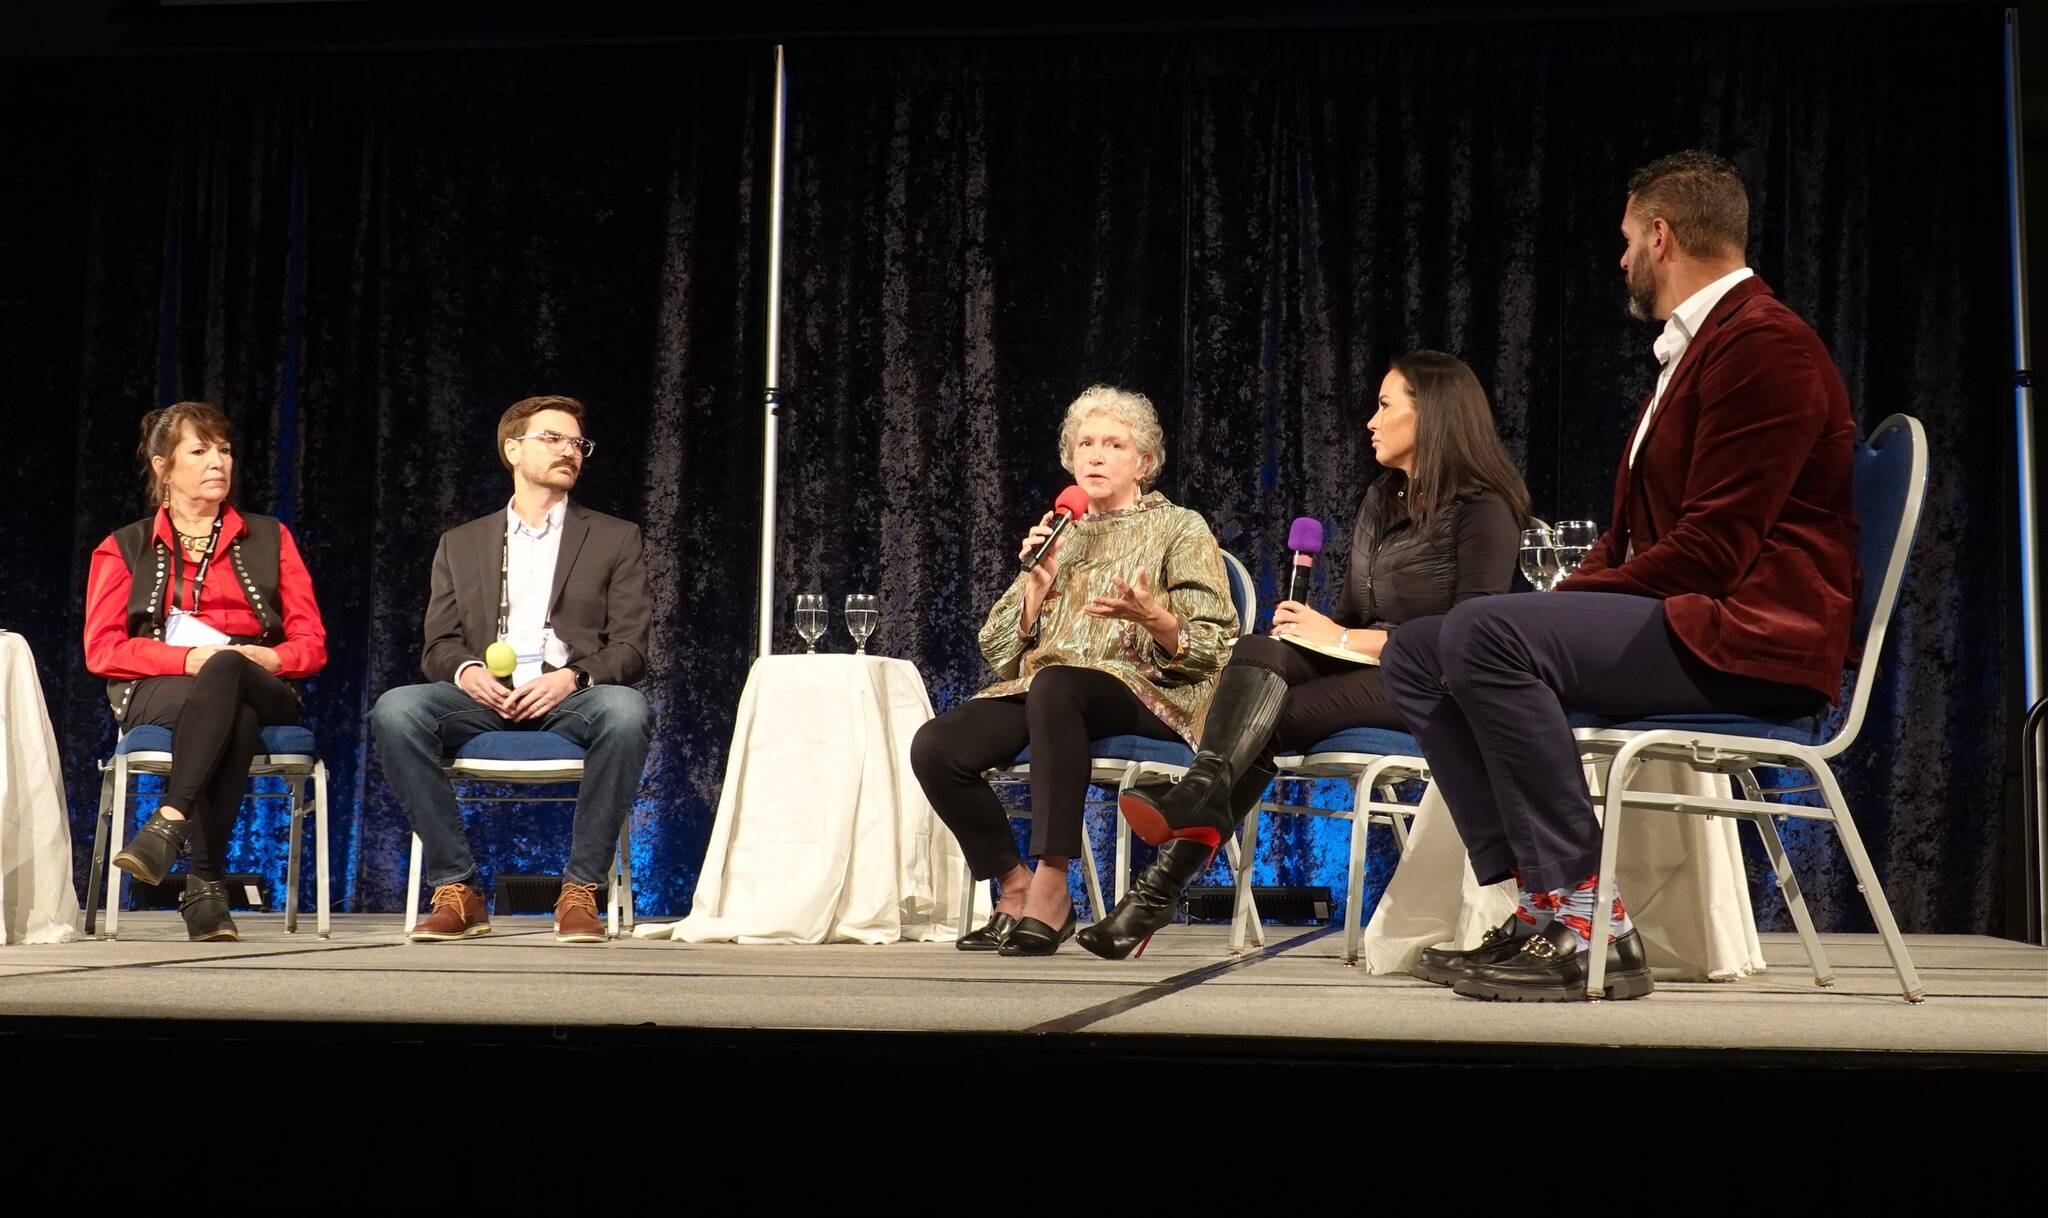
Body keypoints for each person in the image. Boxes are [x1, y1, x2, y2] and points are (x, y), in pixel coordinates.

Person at [1379, 150, 1855, 1002]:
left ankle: (1592, 917)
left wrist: (1549, 610)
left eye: (1629, 238)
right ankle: (1538, 902)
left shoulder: (1766, 347)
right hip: (1688, 614)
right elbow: (1634, 539)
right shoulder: (1702, 348)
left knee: (1483, 630)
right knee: (1417, 650)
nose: (1622, 257)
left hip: (1746, 634)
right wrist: (1558, 602)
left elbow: (1713, 551)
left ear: (1662, 235)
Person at [1084, 351, 1527, 960]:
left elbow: (1469, 638)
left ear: (1432, 417)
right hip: (1367, 661)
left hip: (1434, 684)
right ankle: (1180, 837)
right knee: (1260, 650)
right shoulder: (1383, 497)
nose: (1370, 420)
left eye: (1385, 405)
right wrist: (1313, 633)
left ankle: (1159, 879)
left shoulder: (1484, 509)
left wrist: (1339, 639)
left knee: (1264, 722)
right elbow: (1351, 611)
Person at [908, 385, 1238, 956]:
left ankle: (1054, 885)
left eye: (1114, 443)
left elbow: (1215, 642)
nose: (1096, 454)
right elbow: (996, 646)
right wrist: (1038, 583)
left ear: (1145, 463)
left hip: (1149, 689)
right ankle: (1014, 887)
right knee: (937, 745)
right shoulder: (1064, 531)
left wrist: (1155, 617)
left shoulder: (1181, 527)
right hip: (1049, 692)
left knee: (1057, 686)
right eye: (1086, 442)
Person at [370, 394, 653, 945]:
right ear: (513, 449)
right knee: (397, 709)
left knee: (626, 710)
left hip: (568, 698)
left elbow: (631, 647)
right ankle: (458, 888)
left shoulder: (616, 537)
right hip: (482, 701)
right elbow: (439, 644)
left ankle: (582, 891)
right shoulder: (461, 543)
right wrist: (466, 671)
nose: (569, 451)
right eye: (553, 439)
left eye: (577, 443)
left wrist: (572, 678)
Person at [85, 401, 329, 941]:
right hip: (160, 689)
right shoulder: (122, 546)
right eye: (199, 451)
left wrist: (271, 658)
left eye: (224, 449)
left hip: (266, 684)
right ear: (163, 466)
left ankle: (169, 821)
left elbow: (312, 644)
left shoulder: (271, 537)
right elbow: (102, 650)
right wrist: (186, 659)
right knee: (232, 716)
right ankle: (204, 887)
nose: (218, 461)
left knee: (232, 681)